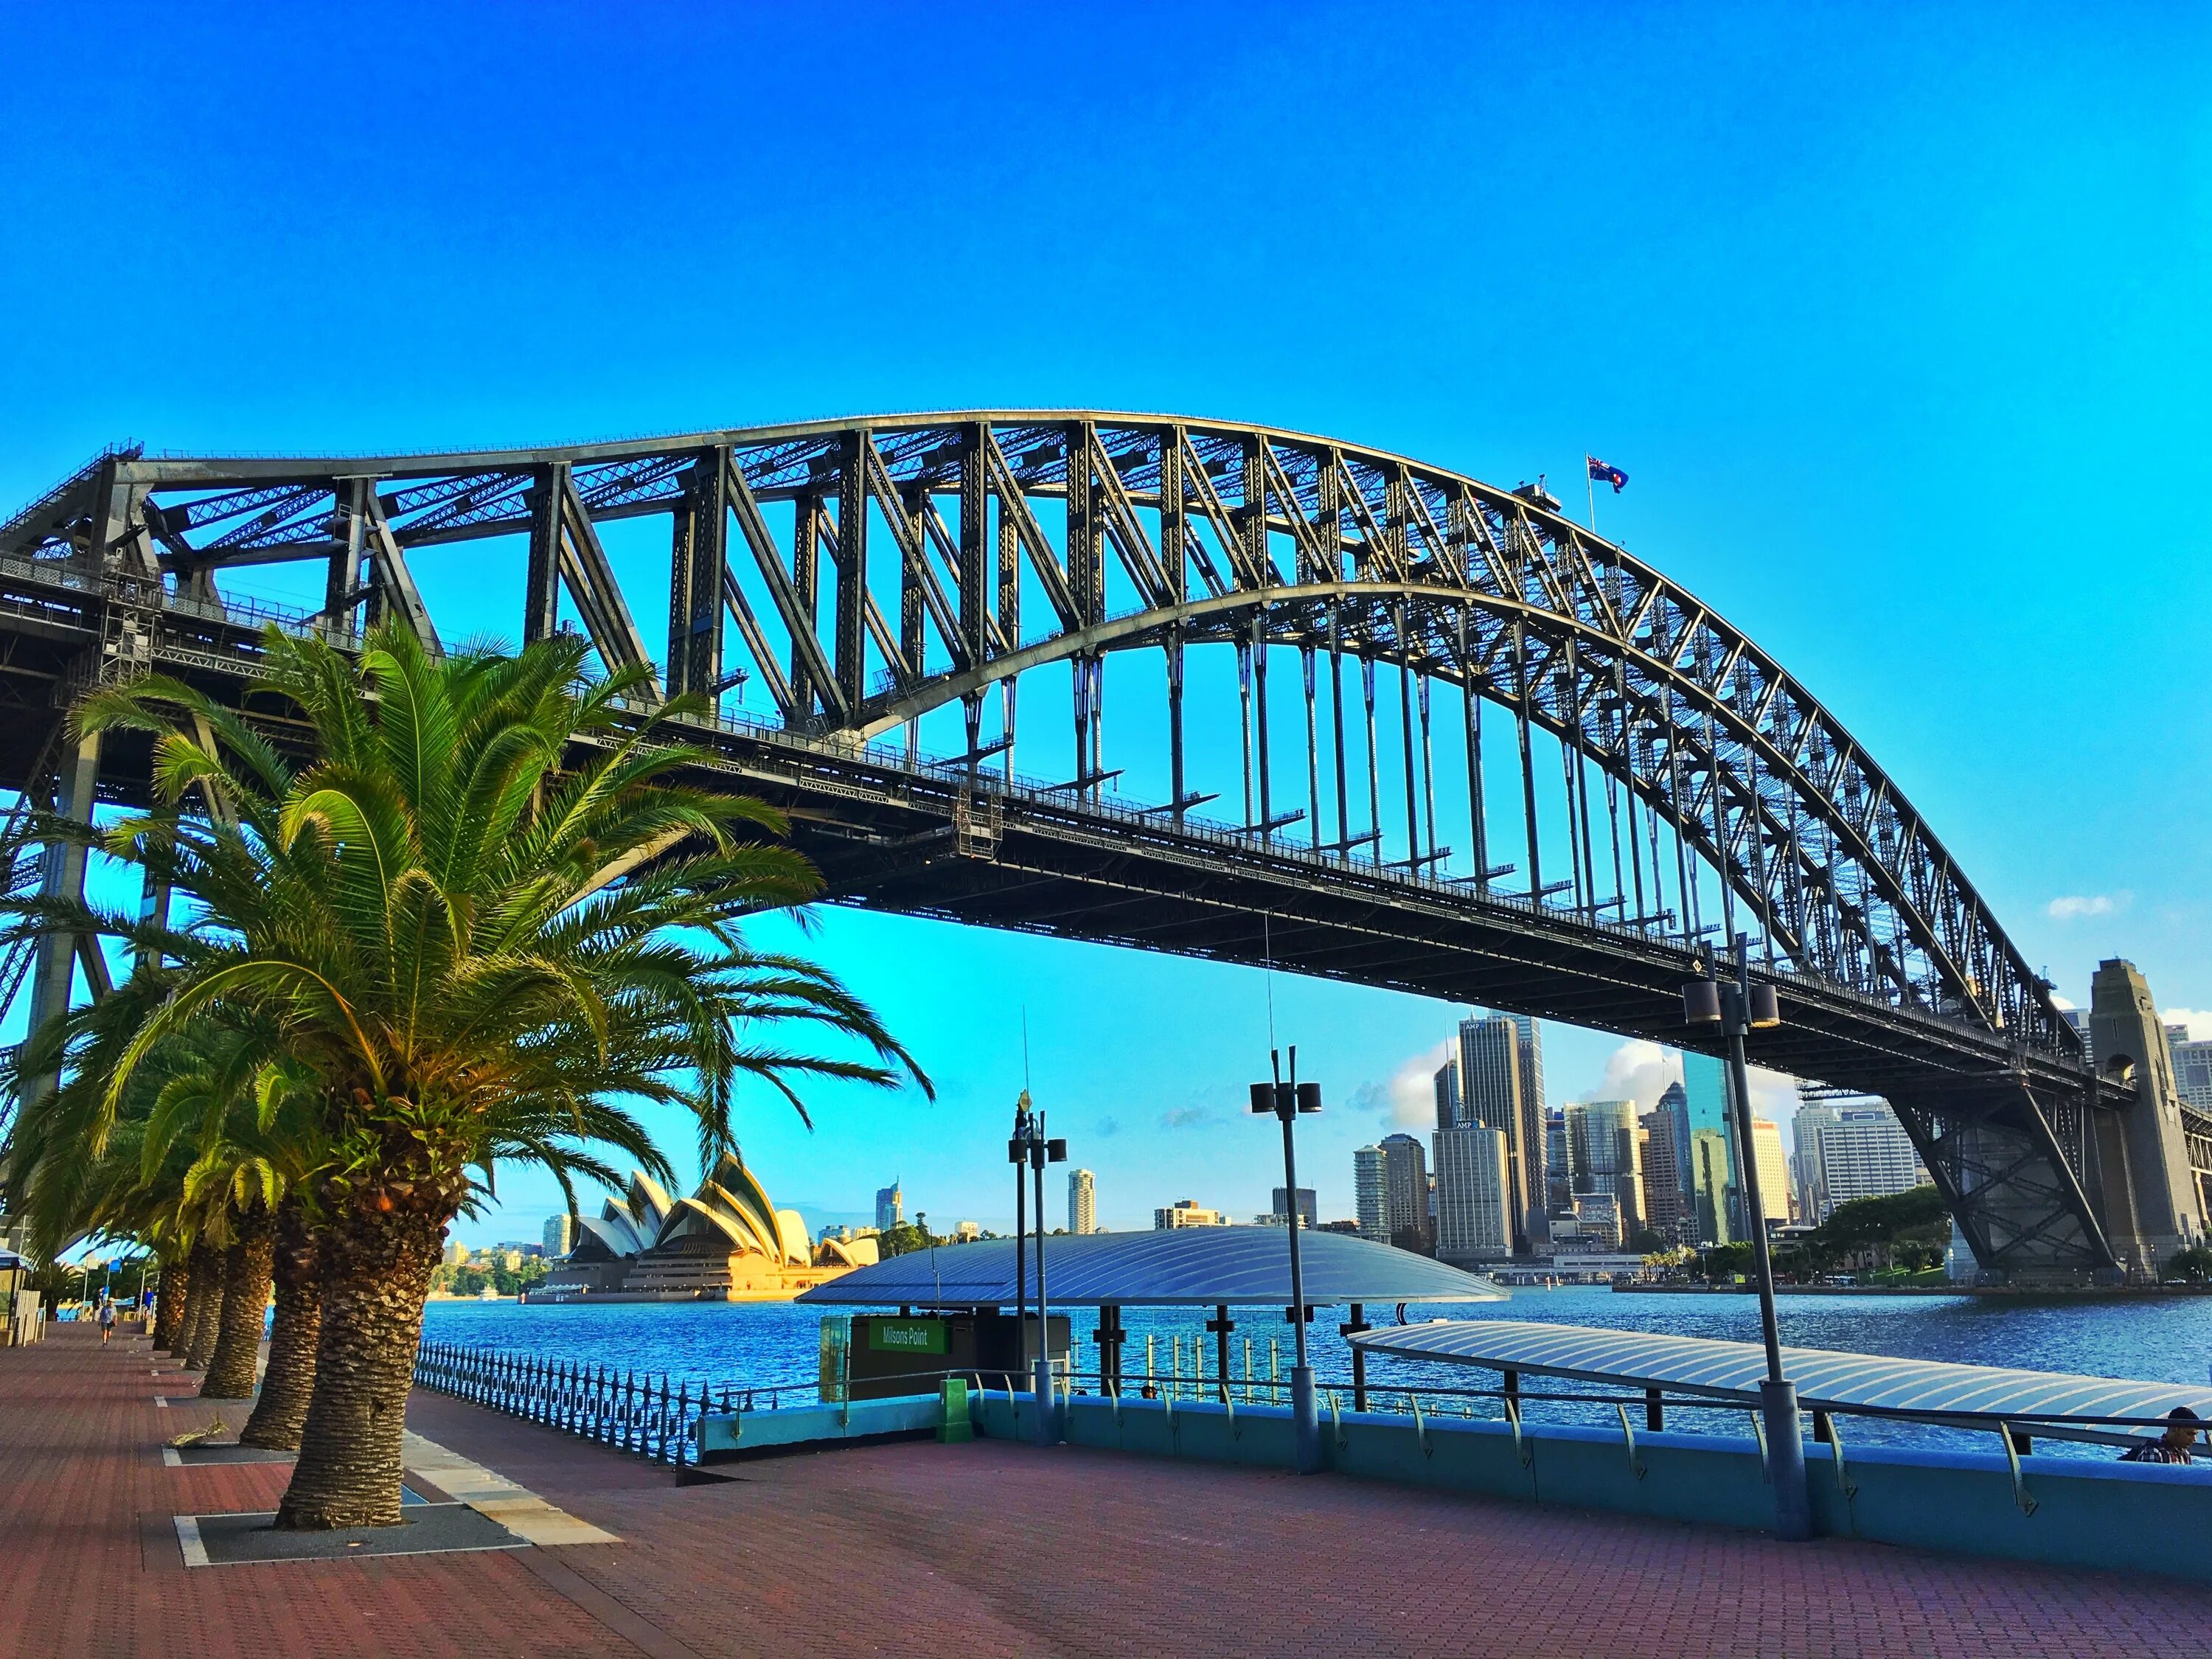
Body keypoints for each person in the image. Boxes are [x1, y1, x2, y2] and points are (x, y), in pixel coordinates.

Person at [2120, 1406, 2201, 1464]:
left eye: (2196, 1435)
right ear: (2175, 1429)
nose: (2194, 1439)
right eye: (2190, 1434)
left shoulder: (2185, 1454)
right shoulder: (2153, 1452)